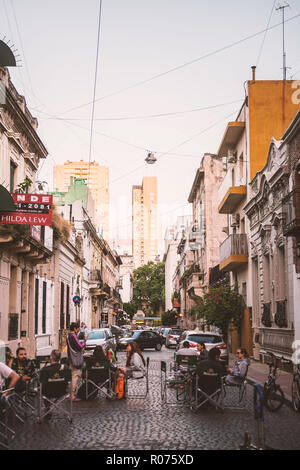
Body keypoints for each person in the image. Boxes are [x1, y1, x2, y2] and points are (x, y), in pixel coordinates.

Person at [39, 350, 65, 419]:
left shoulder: (44, 369)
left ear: (51, 357)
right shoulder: (66, 368)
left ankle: (48, 408)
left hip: (48, 392)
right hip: (62, 392)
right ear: (59, 358)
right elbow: (69, 381)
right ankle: (48, 408)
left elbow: (41, 382)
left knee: (44, 388)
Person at [67, 322, 86, 402]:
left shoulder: (69, 336)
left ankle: (72, 394)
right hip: (75, 359)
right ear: (75, 328)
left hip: (71, 358)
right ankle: (72, 395)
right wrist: (85, 340)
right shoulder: (73, 336)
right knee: (75, 376)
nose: (78, 330)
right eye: (78, 328)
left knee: (73, 375)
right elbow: (80, 346)